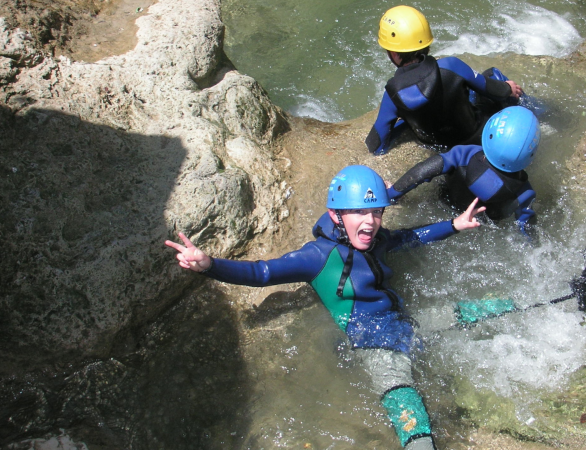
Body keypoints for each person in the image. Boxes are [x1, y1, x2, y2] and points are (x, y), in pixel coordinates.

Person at [165, 165, 486, 450]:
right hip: (375, 349)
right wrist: (209, 265)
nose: (371, 221)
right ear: (335, 215)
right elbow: (262, 272)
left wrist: (454, 225)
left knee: (487, 310)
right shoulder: (317, 257)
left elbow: (410, 237)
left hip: (406, 323)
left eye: (376, 212)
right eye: (360, 212)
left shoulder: (378, 239)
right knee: (415, 427)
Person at [366, 5, 542, 156]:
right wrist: (507, 88)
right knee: (494, 75)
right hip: (479, 134)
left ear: (395, 54)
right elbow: (494, 90)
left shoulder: (392, 94)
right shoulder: (451, 65)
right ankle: (541, 115)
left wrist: (406, 122)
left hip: (446, 151)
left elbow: (377, 145)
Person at [386, 106, 540, 240]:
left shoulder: (465, 155)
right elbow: (526, 228)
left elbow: (422, 172)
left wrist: (392, 193)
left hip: (444, 204)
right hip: (482, 229)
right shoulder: (525, 192)